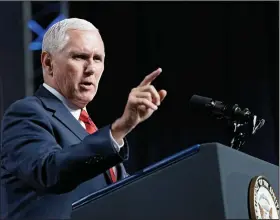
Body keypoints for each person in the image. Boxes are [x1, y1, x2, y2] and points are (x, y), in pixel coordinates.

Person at [0, 18, 167, 219]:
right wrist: (120, 129)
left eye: (98, 59)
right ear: (48, 62)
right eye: (80, 57)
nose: (91, 69)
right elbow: (51, 171)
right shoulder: (26, 113)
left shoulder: (90, 129)